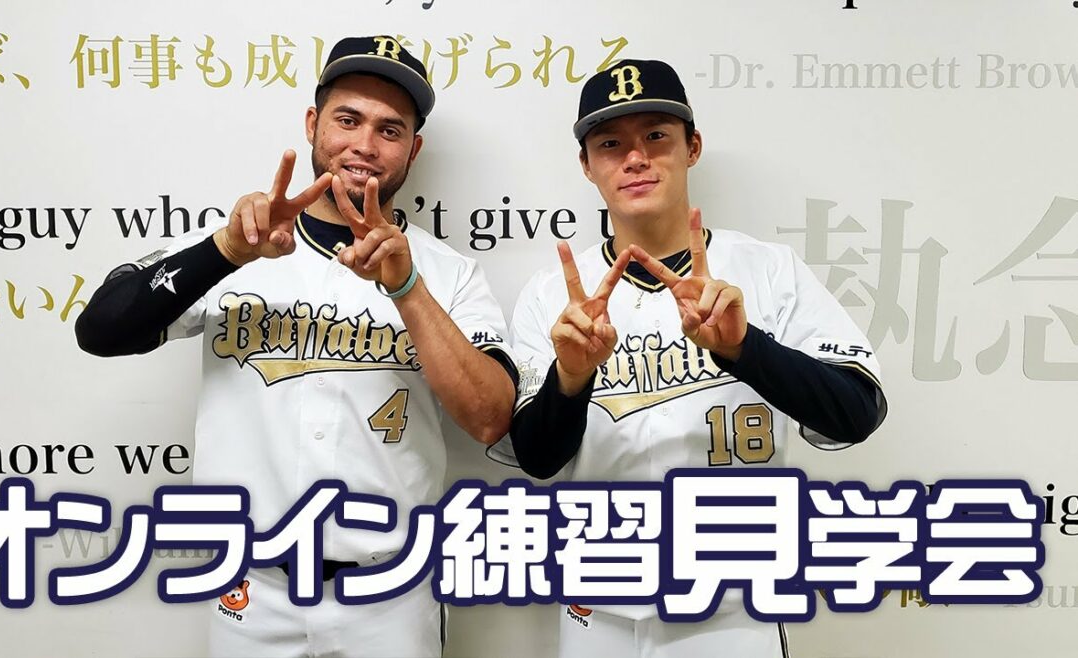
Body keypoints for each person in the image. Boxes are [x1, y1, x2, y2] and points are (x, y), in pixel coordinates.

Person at [75, 35, 517, 658]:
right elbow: (100, 331)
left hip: (389, 593)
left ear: (413, 150)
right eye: (348, 119)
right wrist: (226, 252)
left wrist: (407, 289)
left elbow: (492, 417)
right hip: (248, 589)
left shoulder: (448, 273)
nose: (365, 145)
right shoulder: (234, 244)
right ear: (313, 125)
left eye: (390, 130)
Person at [492, 59, 887, 657]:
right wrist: (571, 377)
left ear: (692, 147)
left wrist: (743, 348)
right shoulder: (554, 295)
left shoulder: (767, 270)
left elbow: (856, 412)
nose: (635, 158)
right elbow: (538, 459)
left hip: (734, 611)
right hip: (596, 611)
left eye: (656, 136)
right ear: (587, 165)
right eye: (610, 143)